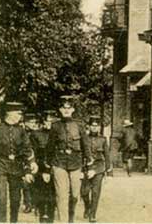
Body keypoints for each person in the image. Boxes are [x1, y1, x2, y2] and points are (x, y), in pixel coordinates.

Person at [0, 102, 38, 223]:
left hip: (16, 166)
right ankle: (1, 221)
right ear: (9, 114)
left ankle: (13, 221)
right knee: (1, 196)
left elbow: (27, 148)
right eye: (18, 114)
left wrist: (31, 162)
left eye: (20, 114)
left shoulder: (21, 130)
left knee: (15, 198)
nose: (19, 116)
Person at [47, 95, 92, 223]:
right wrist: (47, 166)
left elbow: (85, 144)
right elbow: (50, 146)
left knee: (75, 195)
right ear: (60, 110)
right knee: (61, 195)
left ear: (73, 110)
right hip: (59, 162)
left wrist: (89, 163)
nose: (66, 110)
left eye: (69, 108)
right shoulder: (55, 126)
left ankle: (71, 219)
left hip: (76, 163)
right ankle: (63, 221)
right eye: (63, 108)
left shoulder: (79, 125)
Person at [81, 116, 112, 222]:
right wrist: (81, 169)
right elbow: (81, 154)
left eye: (96, 126)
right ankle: (87, 207)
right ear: (89, 127)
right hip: (86, 167)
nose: (94, 128)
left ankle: (93, 214)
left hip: (99, 168)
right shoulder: (84, 138)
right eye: (92, 126)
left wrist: (109, 171)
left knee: (95, 192)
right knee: (84, 192)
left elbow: (107, 155)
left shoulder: (103, 139)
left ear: (99, 127)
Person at [29, 111, 55, 223]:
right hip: (40, 166)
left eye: (51, 120)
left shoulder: (58, 134)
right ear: (42, 122)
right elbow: (32, 152)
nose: (48, 123)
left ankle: (51, 215)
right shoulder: (35, 134)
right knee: (41, 189)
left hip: (56, 165)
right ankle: (43, 214)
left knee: (53, 192)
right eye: (46, 120)